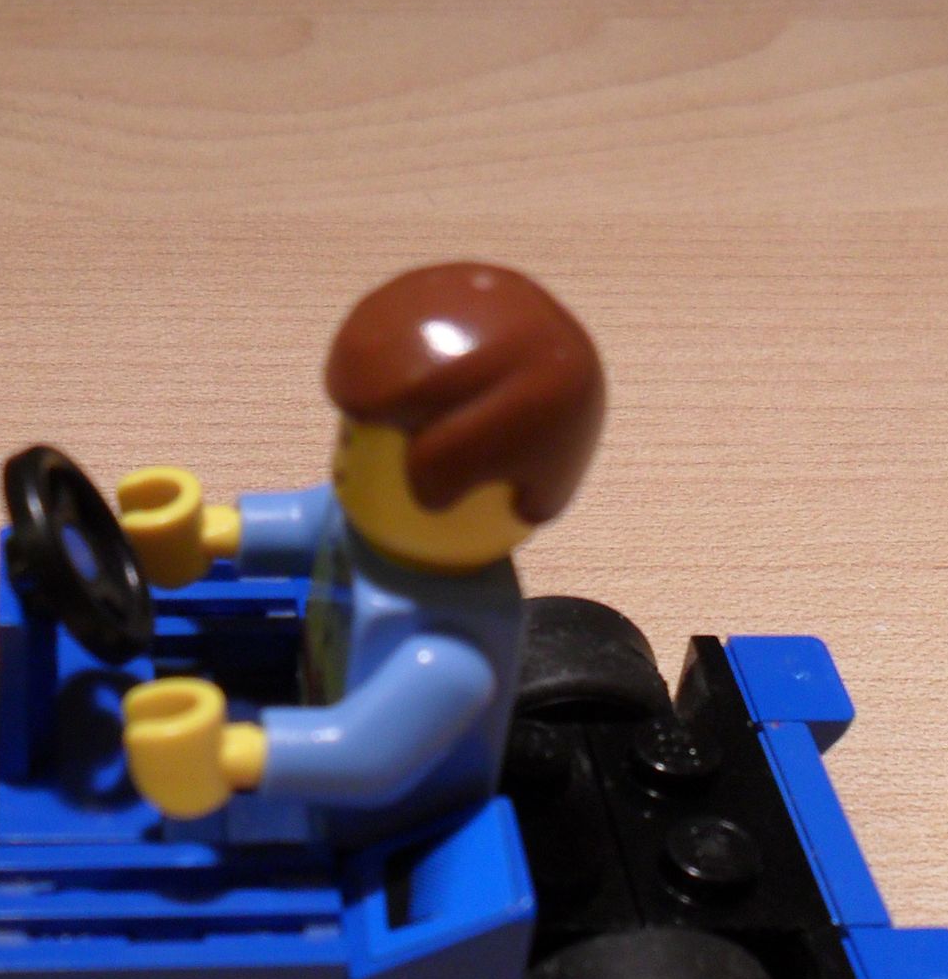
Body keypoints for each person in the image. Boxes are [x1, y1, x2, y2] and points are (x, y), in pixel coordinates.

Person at [117, 261, 606, 846]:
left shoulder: (447, 656)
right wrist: (207, 532)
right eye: (348, 436)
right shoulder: (356, 524)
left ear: (479, 483)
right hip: (309, 689)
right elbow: (304, 521)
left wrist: (231, 754)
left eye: (371, 449)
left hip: (371, 831)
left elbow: (365, 755)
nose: (347, 461)